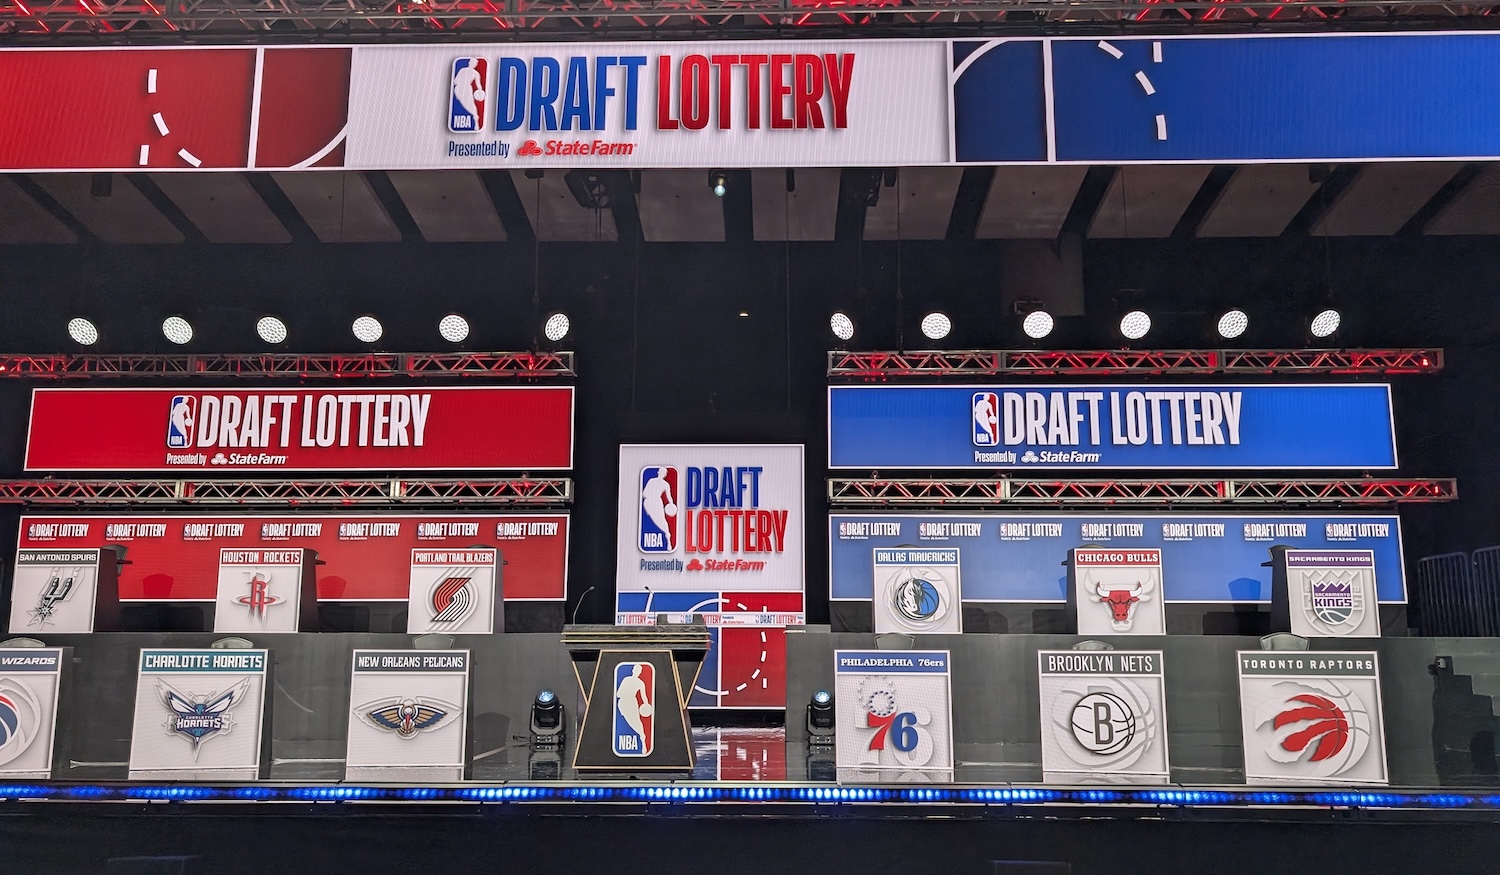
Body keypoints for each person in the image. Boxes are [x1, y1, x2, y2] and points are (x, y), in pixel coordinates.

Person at [615, 664, 653, 754]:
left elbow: (644, 697)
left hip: (631, 702)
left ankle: (643, 739)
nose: (636, 672)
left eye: (638, 670)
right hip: (624, 703)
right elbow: (618, 694)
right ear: (633, 670)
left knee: (636, 721)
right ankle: (642, 737)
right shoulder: (627, 680)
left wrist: (646, 705)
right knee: (631, 722)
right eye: (636, 670)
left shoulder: (640, 683)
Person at [640, 467, 675, 549]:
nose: (663, 474)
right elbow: (644, 493)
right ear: (659, 472)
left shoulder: (665, 484)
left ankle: (668, 538)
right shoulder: (652, 481)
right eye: (663, 472)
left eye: (665, 472)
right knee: (652, 519)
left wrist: (672, 504)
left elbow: (669, 497)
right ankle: (667, 535)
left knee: (661, 520)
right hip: (649, 502)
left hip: (656, 502)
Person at [452, 59, 485, 126]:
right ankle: (475, 117)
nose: (473, 64)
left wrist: (480, 92)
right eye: (472, 62)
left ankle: (476, 119)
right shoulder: (462, 70)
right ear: (469, 62)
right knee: (462, 104)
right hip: (459, 88)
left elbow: (478, 85)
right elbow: (455, 81)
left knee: (470, 104)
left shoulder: (476, 73)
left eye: (474, 63)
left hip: (466, 89)